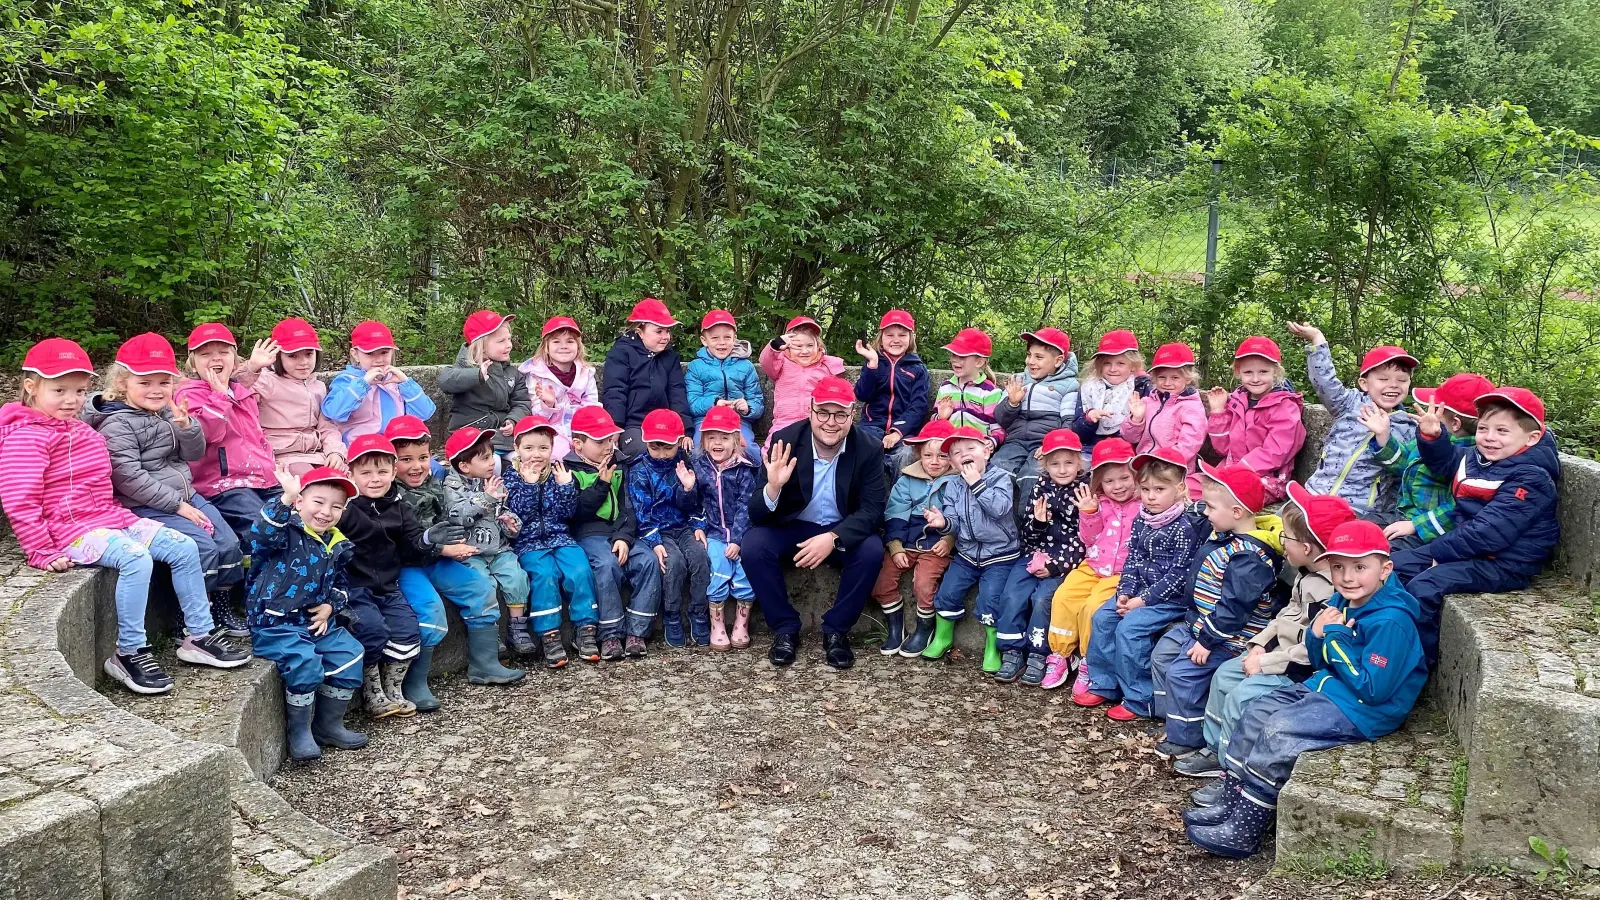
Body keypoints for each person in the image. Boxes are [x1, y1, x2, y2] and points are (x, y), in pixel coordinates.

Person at [0, 338, 249, 695]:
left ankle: (198, 635)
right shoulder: (26, 437)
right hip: (68, 531)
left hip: (108, 517)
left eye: (79, 391)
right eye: (60, 390)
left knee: (182, 545)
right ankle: (128, 651)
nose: (71, 400)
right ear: (31, 387)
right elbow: (19, 497)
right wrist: (40, 549)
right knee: (136, 558)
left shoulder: (80, 429)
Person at [1185, 520, 1428, 859]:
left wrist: (1335, 637)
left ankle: (1245, 829)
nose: (1347, 577)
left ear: (1385, 569)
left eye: (1360, 567)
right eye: (1339, 567)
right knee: (1257, 712)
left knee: (1278, 731)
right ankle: (1232, 801)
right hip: (1329, 688)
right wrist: (1315, 634)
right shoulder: (1343, 602)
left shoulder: (1391, 621)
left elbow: (1373, 689)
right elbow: (1318, 660)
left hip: (1364, 711)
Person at [1182, 482, 1352, 786]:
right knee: (1224, 676)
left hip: (1293, 670)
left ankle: (1232, 769)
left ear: (1307, 548)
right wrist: (1259, 645)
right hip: (1273, 655)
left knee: (1240, 697)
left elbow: (1309, 651)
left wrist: (1266, 663)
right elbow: (1284, 616)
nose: (1281, 541)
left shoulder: (1328, 592)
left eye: (1286, 537)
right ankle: (1215, 747)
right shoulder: (1305, 575)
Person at [86, 332, 244, 635]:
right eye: (145, 383)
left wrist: (187, 427)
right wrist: (177, 506)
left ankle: (220, 607)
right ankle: (188, 618)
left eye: (164, 382)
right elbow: (128, 477)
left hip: (187, 495)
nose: (156, 391)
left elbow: (193, 454)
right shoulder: (117, 424)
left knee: (229, 543)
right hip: (149, 505)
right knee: (203, 548)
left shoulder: (166, 413)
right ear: (122, 383)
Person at [1392, 387, 1560, 667]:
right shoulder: (1477, 458)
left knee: (1425, 586)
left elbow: (1488, 533)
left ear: (1531, 438)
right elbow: (1446, 462)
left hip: (1504, 562)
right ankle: (1377, 641)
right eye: (1484, 428)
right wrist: (1434, 437)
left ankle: (1414, 665)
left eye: (1502, 431)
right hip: (1466, 549)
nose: (1490, 437)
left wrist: (1440, 555)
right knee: (1389, 566)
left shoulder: (1531, 479)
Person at [744, 376, 888, 669]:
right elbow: (756, 515)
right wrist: (772, 488)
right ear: (810, 411)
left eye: (839, 414)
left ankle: (836, 631)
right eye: (823, 412)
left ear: (852, 415)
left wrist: (834, 536)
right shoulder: (785, 440)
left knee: (872, 549)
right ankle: (785, 628)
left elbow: (872, 511)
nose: (830, 422)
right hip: (794, 526)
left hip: (840, 529)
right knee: (753, 545)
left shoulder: (869, 448)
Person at [1147, 462, 1286, 754]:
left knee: (1184, 673)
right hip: (1201, 624)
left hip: (1230, 637)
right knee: (1163, 655)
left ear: (1236, 513)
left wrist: (1207, 641)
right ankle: (1171, 717)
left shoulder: (1249, 557)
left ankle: (1187, 737)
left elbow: (1234, 608)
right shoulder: (1224, 532)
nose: (1204, 512)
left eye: (1209, 507)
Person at [391, 417, 524, 707]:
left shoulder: (433, 484)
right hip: (407, 566)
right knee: (430, 612)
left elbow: (447, 520)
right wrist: (444, 549)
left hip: (438, 558)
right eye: (406, 460)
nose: (416, 466)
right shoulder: (390, 495)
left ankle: (484, 664)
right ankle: (415, 683)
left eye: (423, 458)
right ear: (391, 463)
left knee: (479, 588)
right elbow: (402, 543)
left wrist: (454, 545)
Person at [247, 465, 368, 761]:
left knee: (350, 653)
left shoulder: (337, 543)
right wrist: (284, 499)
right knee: (305, 663)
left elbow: (341, 584)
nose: (326, 512)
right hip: (274, 624)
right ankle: (299, 732)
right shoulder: (284, 532)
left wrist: (330, 606)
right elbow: (260, 535)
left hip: (313, 622)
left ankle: (328, 726)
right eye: (318, 502)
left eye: (336, 506)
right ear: (300, 502)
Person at [1078, 449, 1204, 718]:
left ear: (1179, 488)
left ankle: (1140, 698)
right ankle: (1104, 683)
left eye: (1159, 489)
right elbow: (1133, 560)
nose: (1151, 496)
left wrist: (1142, 601)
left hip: (1170, 600)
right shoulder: (1142, 519)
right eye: (1145, 489)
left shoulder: (1185, 526)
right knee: (1103, 618)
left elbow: (1179, 576)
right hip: (1138, 593)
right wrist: (1125, 593)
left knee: (1130, 629)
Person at [173, 323, 280, 609]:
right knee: (260, 528)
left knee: (294, 522)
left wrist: (252, 368)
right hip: (223, 483)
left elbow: (254, 430)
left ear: (235, 358)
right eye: (206, 354)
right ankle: (253, 598)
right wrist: (219, 398)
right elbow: (204, 436)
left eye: (223, 352)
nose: (216, 359)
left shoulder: (237, 388)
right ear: (192, 361)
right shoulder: (188, 394)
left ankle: (286, 591)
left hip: (262, 477)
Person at [339, 434, 435, 718]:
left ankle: (393, 689)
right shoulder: (344, 510)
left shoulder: (401, 509)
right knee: (371, 629)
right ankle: (372, 692)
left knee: (408, 630)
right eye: (365, 472)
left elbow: (413, 546)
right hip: (354, 587)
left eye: (382, 471)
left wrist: (430, 539)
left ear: (394, 472)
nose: (375, 479)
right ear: (351, 473)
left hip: (388, 585)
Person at [1286, 321, 1416, 516]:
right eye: (1383, 379)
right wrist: (1317, 341)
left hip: (1357, 510)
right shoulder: (1350, 404)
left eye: (1402, 380)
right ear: (1364, 383)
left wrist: (1384, 438)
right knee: (1282, 525)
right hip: (1315, 494)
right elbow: (1325, 383)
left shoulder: (1408, 426)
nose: (1393, 385)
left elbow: (1404, 471)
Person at [920, 424, 1020, 671]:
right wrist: (943, 522)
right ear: (952, 462)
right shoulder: (953, 485)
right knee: (947, 592)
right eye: (956, 452)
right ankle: (943, 638)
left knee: (990, 598)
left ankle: (991, 646)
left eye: (970, 448)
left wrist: (977, 483)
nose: (963, 454)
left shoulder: (1001, 478)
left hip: (1000, 554)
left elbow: (999, 509)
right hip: (966, 553)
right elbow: (953, 521)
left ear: (986, 451)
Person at [564, 407, 661, 660]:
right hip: (588, 534)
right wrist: (601, 484)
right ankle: (609, 633)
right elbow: (576, 512)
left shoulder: (621, 465)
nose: (608, 446)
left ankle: (637, 631)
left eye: (610, 439)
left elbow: (630, 507)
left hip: (620, 533)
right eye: (599, 441)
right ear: (578, 444)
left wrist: (623, 537)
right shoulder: (567, 471)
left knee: (648, 561)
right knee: (606, 565)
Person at [1044, 438, 1139, 693]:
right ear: (1099, 482)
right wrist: (1089, 514)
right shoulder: (1099, 503)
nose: (1117, 486)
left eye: (1124, 478)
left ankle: (1088, 660)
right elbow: (1089, 539)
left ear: (1135, 476)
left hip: (1120, 573)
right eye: (1109, 481)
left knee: (1093, 607)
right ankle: (1061, 655)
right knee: (1064, 596)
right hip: (1093, 565)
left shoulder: (1142, 505)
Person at [995, 428, 1088, 685]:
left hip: (1066, 561)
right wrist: (1037, 522)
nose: (1062, 469)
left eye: (1068, 462)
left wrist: (1056, 567)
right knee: (1013, 592)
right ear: (1044, 463)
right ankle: (1011, 649)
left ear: (1079, 462)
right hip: (1035, 553)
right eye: (1054, 463)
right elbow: (1028, 533)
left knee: (1043, 598)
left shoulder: (1085, 490)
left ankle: (1039, 653)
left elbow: (1087, 539)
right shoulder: (1040, 486)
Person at [505, 415, 599, 667]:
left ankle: (586, 628)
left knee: (580, 570)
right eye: (529, 448)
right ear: (516, 448)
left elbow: (566, 514)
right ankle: (550, 635)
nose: (537, 454)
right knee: (544, 575)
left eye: (543, 448)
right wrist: (529, 485)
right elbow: (519, 515)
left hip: (560, 537)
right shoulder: (512, 477)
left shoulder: (557, 471)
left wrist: (567, 487)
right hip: (528, 542)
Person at [1362, 373, 1493, 550]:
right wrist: (1383, 436)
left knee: (1377, 552)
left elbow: (1461, 509)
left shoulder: (1473, 459)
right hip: (1402, 516)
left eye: (1435, 411)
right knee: (1355, 527)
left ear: (1455, 424)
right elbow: (1402, 463)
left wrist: (1415, 525)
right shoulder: (1426, 441)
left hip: (1429, 533)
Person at [626, 409, 712, 647]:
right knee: (672, 563)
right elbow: (641, 510)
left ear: (678, 443)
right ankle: (672, 615)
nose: (662, 454)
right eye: (656, 447)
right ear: (646, 443)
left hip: (683, 526)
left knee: (700, 557)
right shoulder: (639, 470)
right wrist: (654, 542)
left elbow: (694, 504)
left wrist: (690, 498)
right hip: (657, 530)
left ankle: (697, 612)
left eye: (668, 447)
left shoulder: (685, 464)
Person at [871, 420, 956, 657]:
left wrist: (949, 540)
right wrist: (895, 546)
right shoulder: (908, 479)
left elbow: (960, 515)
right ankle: (895, 627)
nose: (935, 461)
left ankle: (924, 628)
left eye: (942, 456)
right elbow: (896, 512)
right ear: (918, 453)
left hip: (936, 544)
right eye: (928, 455)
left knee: (924, 585)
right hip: (906, 541)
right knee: (881, 583)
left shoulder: (957, 482)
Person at [1199, 337, 1305, 505]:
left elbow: (1276, 452)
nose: (1255, 379)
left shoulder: (1284, 407)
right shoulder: (1238, 401)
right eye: (1248, 372)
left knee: (1223, 500)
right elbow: (1224, 448)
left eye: (1263, 372)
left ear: (1275, 372)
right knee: (1191, 487)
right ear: (1238, 372)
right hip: (1231, 469)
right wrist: (1218, 412)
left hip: (1267, 479)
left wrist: (1238, 469)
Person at [692, 406, 761, 650]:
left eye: (724, 437)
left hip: (741, 534)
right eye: (711, 437)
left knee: (744, 571)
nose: (717, 443)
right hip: (713, 533)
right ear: (703, 440)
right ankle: (717, 625)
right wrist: (698, 524)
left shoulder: (745, 469)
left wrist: (737, 540)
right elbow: (695, 503)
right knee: (718, 567)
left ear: (736, 440)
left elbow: (746, 506)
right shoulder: (699, 466)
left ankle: (741, 623)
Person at [244, 318, 347, 476]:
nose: (303, 362)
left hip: (315, 453)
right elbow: (235, 391)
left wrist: (335, 452)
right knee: (312, 483)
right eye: (293, 356)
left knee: (346, 479)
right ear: (278, 356)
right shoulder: (266, 380)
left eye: (308, 354)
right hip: (281, 455)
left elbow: (326, 426)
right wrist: (252, 368)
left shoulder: (317, 386)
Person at [993, 327, 1079, 503]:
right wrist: (1012, 403)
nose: (1030, 361)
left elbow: (1068, 422)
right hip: (1014, 442)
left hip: (1043, 445)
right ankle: (998, 527)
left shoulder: (1069, 386)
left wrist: (1053, 446)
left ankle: (1028, 526)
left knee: (1032, 476)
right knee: (997, 470)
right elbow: (1001, 419)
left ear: (1058, 360)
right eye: (1029, 355)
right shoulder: (1017, 381)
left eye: (1039, 357)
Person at [602, 297, 693, 461]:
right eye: (659, 331)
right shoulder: (621, 353)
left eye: (668, 331)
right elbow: (616, 391)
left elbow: (677, 393)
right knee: (644, 453)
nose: (665, 336)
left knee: (680, 455)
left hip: (665, 424)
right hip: (634, 424)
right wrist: (614, 426)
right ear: (639, 331)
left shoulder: (670, 357)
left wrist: (685, 430)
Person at [322, 320, 436, 443]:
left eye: (384, 352)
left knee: (428, 462)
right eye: (370, 353)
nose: (379, 360)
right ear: (355, 354)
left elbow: (425, 413)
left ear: (392, 352)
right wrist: (362, 384)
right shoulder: (348, 379)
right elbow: (334, 412)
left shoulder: (395, 380)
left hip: (396, 443)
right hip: (362, 446)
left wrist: (406, 383)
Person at [438, 310, 530, 457]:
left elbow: (522, 402)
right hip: (470, 438)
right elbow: (445, 381)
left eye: (509, 339)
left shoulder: (512, 372)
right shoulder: (465, 367)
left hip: (502, 437)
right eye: (501, 341)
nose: (509, 345)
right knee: (491, 462)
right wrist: (477, 375)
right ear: (481, 346)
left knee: (520, 460)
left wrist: (513, 420)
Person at [852, 309, 930, 462]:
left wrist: (898, 432)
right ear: (881, 339)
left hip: (904, 432)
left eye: (902, 335)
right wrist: (872, 365)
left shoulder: (918, 369)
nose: (896, 340)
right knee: (860, 447)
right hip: (871, 426)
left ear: (911, 338)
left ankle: (899, 487)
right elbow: (862, 395)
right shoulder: (873, 362)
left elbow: (918, 407)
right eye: (890, 335)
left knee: (906, 455)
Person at [521, 316, 600, 463]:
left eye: (570, 341)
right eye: (556, 341)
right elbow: (536, 415)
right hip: (552, 431)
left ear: (578, 346)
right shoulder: (536, 375)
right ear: (546, 347)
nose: (563, 346)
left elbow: (592, 405)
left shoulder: (586, 372)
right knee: (557, 454)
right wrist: (549, 404)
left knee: (603, 448)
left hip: (583, 427)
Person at [686, 309, 765, 454]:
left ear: (734, 339)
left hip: (738, 422)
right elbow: (692, 403)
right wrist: (714, 403)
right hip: (706, 421)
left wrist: (747, 407)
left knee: (750, 452)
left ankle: (752, 477)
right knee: (698, 452)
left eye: (727, 337)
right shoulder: (696, 367)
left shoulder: (746, 366)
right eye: (715, 338)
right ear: (704, 340)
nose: (722, 343)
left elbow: (757, 401)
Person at [760, 314, 846, 441]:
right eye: (798, 346)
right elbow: (765, 361)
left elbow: (839, 391)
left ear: (818, 346)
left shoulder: (826, 366)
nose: (805, 351)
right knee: (773, 447)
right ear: (787, 347)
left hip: (815, 423)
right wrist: (776, 345)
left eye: (810, 346)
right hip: (785, 422)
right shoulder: (780, 363)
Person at [1121, 342, 1206, 467]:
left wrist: (1164, 462)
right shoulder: (1147, 402)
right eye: (1162, 377)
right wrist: (1136, 420)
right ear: (1154, 378)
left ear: (1188, 378)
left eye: (1175, 378)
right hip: (1144, 464)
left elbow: (1190, 443)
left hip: (1174, 467)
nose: (1167, 383)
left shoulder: (1191, 407)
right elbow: (1130, 438)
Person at [1072, 330, 1151, 454]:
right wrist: (1088, 419)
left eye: (1120, 363)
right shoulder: (1088, 388)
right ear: (1098, 365)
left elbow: (1147, 433)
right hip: (1090, 449)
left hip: (1127, 450)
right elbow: (1078, 435)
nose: (1113, 369)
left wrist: (1136, 419)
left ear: (1133, 365)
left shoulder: (1142, 388)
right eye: (1107, 363)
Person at [934, 328, 1005, 442]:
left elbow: (998, 428)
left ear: (979, 362)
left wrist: (991, 443)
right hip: (948, 447)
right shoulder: (945, 388)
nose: (955, 360)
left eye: (962, 356)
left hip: (977, 448)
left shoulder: (990, 392)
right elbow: (934, 424)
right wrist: (941, 417)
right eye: (953, 354)